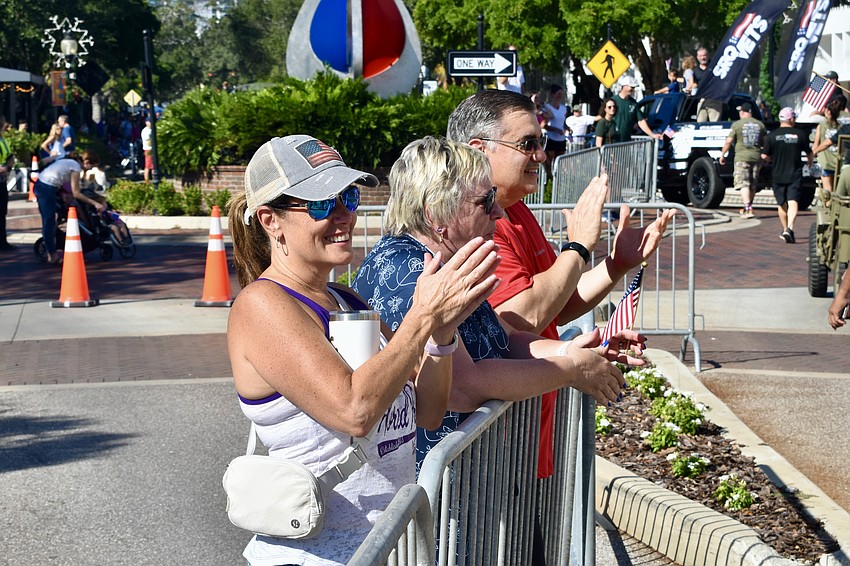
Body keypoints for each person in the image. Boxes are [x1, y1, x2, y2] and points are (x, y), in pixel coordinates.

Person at [225, 134, 500, 566]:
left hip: (385, 547)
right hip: (315, 557)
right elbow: (353, 410)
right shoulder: (262, 306)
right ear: (270, 220)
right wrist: (421, 318)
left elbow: (427, 412)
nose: (342, 217)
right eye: (320, 204)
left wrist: (442, 337)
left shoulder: (347, 301)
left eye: (347, 197)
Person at [445, 89, 674, 563]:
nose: (541, 155)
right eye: (527, 144)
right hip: (495, 452)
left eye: (541, 141)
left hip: (531, 437)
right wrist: (580, 245)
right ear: (477, 149)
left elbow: (556, 303)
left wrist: (613, 264)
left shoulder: (515, 211)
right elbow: (519, 317)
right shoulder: (483, 225)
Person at [353, 136, 642, 462]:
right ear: (436, 214)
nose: (500, 212)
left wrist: (572, 351)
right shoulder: (407, 269)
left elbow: (505, 338)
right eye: (485, 201)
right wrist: (569, 369)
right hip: (432, 494)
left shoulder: (447, 262)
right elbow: (461, 386)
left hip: (466, 482)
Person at [33, 154, 104, 264]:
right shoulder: (75, 166)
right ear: (87, 162)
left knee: (51, 219)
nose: (91, 169)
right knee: (49, 220)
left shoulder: (68, 161)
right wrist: (95, 203)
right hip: (46, 188)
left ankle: (51, 245)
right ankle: (52, 254)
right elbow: (76, 193)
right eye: (92, 166)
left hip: (44, 185)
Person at [760, 107, 812, 243]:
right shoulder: (800, 135)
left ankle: (785, 229)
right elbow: (809, 153)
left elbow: (764, 155)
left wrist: (771, 159)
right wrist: (810, 164)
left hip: (777, 173)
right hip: (795, 173)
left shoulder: (772, 136)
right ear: (792, 119)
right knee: (793, 201)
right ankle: (790, 228)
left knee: (782, 203)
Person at [719, 101, 766, 218]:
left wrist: (722, 154)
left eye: (740, 111)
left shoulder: (737, 125)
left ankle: (747, 207)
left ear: (743, 112)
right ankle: (749, 206)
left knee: (743, 183)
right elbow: (765, 143)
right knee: (752, 184)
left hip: (742, 157)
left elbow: (729, 141)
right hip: (756, 156)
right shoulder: (760, 125)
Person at [612, 77, 663, 142]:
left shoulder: (633, 103)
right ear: (624, 86)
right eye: (631, 87)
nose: (633, 89)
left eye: (634, 88)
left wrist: (652, 134)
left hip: (626, 142)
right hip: (613, 142)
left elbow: (641, 121)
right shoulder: (613, 101)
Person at [812, 97, 843, 192]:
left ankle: (828, 206)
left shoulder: (821, 125)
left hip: (825, 161)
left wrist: (813, 153)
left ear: (828, 112)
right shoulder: (842, 126)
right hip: (839, 162)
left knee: (827, 190)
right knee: (837, 190)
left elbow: (816, 144)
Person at [543, 84, 568, 177]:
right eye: (558, 94)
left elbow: (563, 122)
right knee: (549, 162)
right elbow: (543, 125)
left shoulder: (563, 108)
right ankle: (549, 180)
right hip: (551, 138)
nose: (560, 96)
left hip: (561, 139)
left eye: (561, 94)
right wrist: (555, 130)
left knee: (560, 161)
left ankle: (559, 180)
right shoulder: (547, 107)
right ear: (553, 94)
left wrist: (567, 128)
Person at [0, 115, 15, 251]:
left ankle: (2, 242)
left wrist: (7, 168)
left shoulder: (3, 140)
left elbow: (10, 157)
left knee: (2, 212)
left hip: (1, 180)